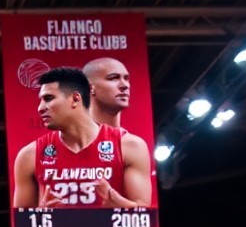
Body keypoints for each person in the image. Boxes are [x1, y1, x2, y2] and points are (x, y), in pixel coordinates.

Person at [13, 66, 152, 210]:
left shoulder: (130, 146)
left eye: (48, 98)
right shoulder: (29, 155)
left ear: (75, 98)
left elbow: (145, 214)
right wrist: (41, 215)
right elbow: (22, 223)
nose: (40, 108)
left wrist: (121, 206)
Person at [82, 57, 130, 128]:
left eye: (126, 78)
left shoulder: (131, 139)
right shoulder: (69, 137)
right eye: (113, 78)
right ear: (90, 88)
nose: (125, 85)